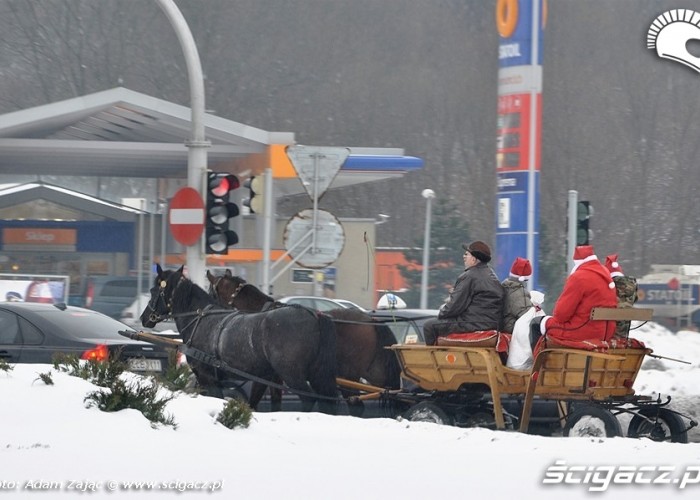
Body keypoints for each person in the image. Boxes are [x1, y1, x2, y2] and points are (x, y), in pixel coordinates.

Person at [423, 240, 504, 345]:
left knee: (429, 325)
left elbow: (454, 307)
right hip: (491, 324)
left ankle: (432, 359)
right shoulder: (492, 275)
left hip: (473, 324)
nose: (464, 257)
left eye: (467, 254)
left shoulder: (470, 276)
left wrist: (441, 314)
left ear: (474, 259)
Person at [533, 245, 618, 345]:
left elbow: (560, 315)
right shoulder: (606, 274)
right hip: (605, 333)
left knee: (537, 323)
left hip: (582, 331)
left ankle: (538, 359)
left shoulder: (579, 277)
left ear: (577, 262)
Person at [605, 254, 638, 338]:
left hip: (608, 335)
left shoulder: (607, 286)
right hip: (624, 334)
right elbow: (635, 299)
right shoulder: (633, 286)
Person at [501, 257, 533, 334]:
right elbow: (527, 318)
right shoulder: (519, 293)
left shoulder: (504, 287)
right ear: (523, 279)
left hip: (504, 328)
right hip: (514, 331)